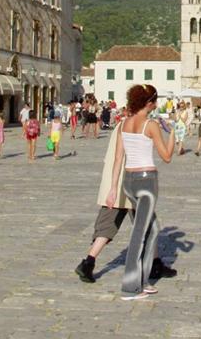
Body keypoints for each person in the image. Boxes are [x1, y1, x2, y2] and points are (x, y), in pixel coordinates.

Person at [74, 113, 177, 284]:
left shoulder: (121, 125)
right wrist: (172, 132)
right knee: (148, 224)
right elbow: (160, 155)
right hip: (132, 181)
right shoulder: (137, 125)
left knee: (107, 225)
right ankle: (154, 266)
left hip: (114, 184)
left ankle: (88, 263)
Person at [107, 84, 175, 300]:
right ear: (148, 103)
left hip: (128, 181)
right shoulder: (151, 125)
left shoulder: (124, 124)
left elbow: (118, 158)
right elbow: (167, 156)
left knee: (152, 229)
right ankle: (130, 287)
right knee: (139, 233)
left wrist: (112, 188)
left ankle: (143, 280)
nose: (156, 104)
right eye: (155, 101)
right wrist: (174, 133)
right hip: (146, 181)